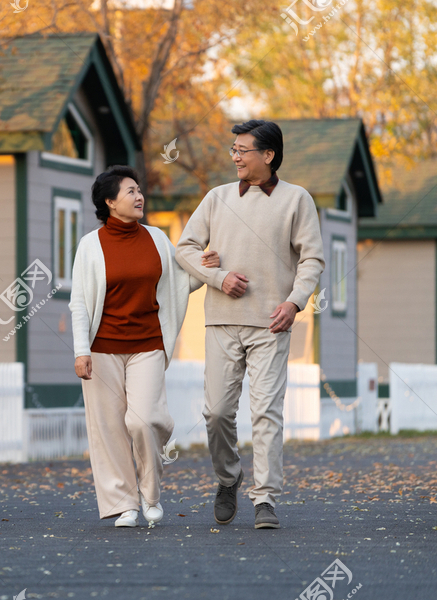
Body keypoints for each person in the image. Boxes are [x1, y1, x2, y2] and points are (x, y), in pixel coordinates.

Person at [175, 120, 324, 529]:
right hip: (222, 320)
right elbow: (185, 248)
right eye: (233, 150)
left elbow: (312, 258)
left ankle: (265, 499)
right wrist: (217, 277)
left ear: (268, 155)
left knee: (266, 412)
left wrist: (295, 303)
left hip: (271, 324)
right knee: (217, 412)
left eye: (243, 149)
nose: (236, 156)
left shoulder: (297, 200)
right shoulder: (216, 198)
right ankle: (228, 477)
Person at [69, 165, 219, 528]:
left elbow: (177, 284)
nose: (139, 197)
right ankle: (125, 505)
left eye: (139, 190)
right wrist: (80, 350)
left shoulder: (156, 238)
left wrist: (205, 267)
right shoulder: (91, 245)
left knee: (144, 420)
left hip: (148, 344)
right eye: (130, 191)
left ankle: (151, 495)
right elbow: (79, 303)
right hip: (102, 347)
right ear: (109, 202)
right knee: (109, 428)